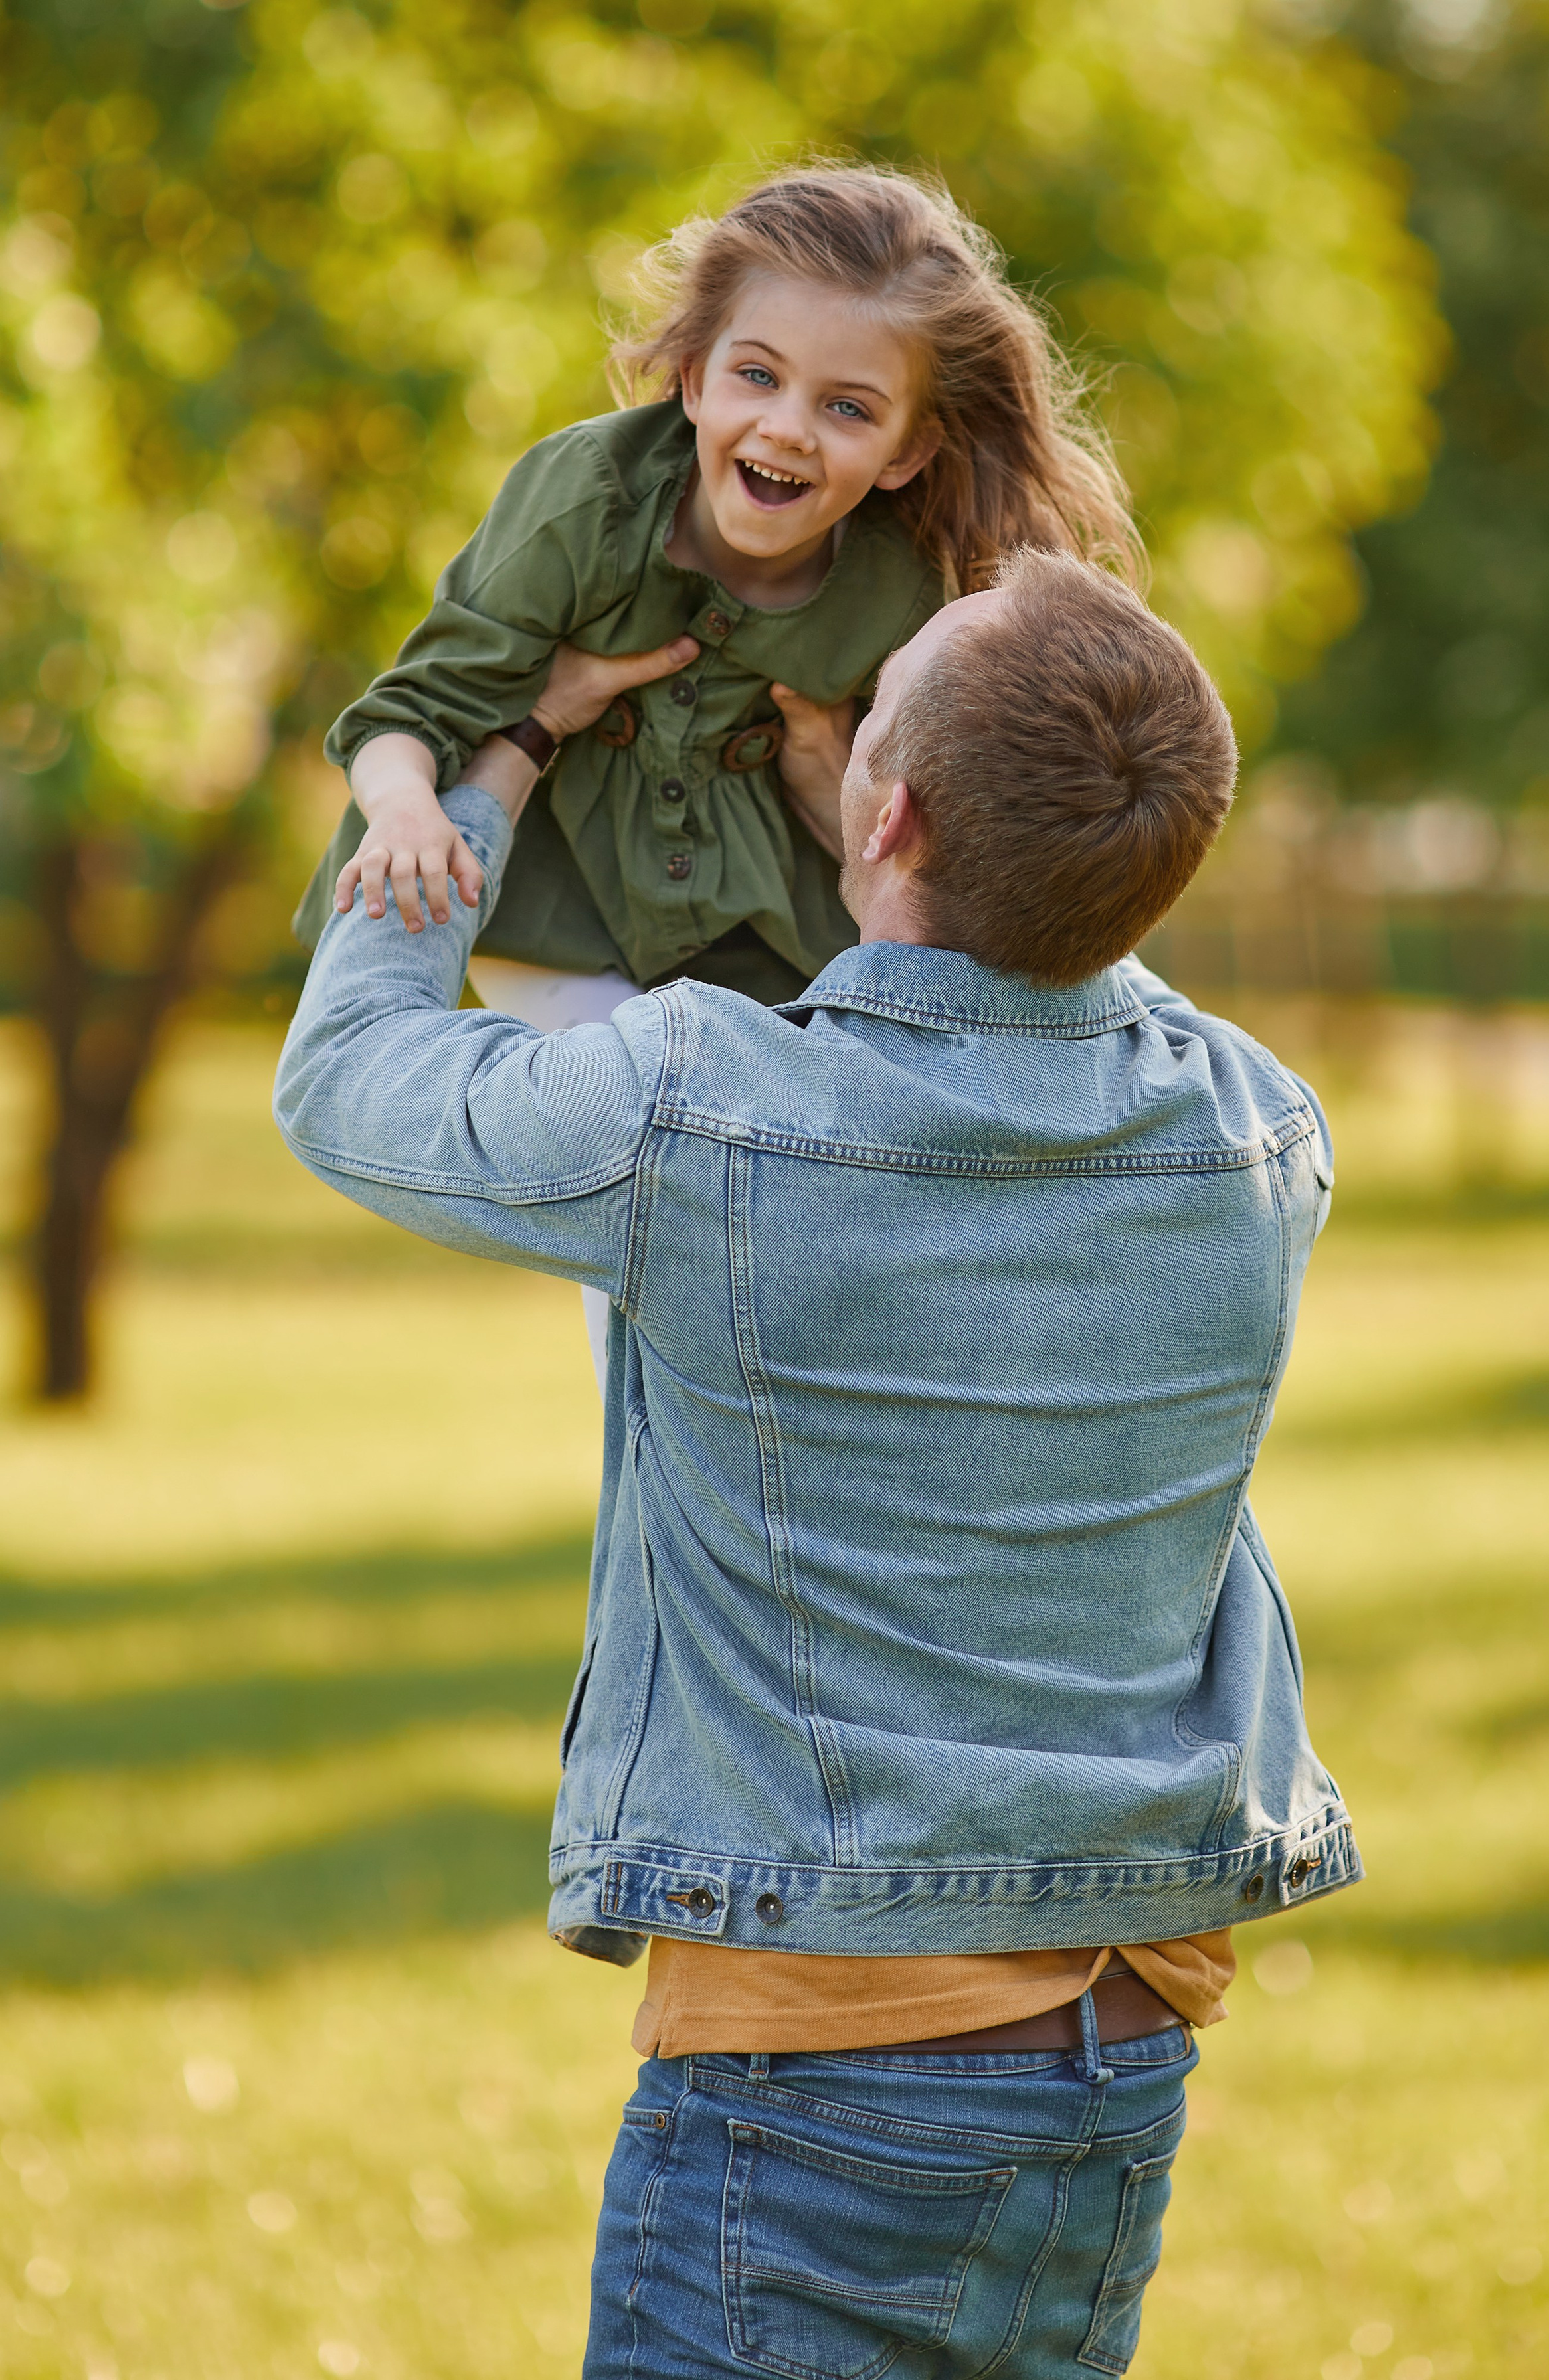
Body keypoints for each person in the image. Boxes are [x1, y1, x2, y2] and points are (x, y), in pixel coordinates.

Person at [274, 547, 1359, 2376]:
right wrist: (919, 826)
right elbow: (1076, 916)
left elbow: (350, 1070)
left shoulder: (705, 1106)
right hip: (1120, 2047)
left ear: (895, 807)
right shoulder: (1254, 1131)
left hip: (822, 2052)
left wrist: (501, 752)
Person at [291, 163, 1137, 1023]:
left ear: (905, 455)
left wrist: (833, 781)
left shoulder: (902, 591)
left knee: (791, 1125)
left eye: (848, 409)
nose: (787, 429)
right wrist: (401, 812)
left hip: (771, 943)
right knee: (612, 1103)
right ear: (694, 378)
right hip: (553, 920)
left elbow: (911, 838)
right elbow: (412, 710)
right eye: (758, 377)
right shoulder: (586, 499)